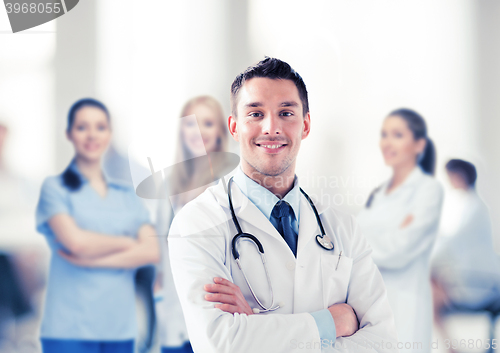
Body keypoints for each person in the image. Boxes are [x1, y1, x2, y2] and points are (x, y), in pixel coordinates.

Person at [167, 58, 398, 353]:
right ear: (234, 126)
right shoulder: (197, 223)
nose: (271, 127)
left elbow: (384, 343)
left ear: (305, 125)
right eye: (256, 114)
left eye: (286, 113)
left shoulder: (343, 228)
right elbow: (222, 343)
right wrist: (332, 322)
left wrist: (258, 332)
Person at [35, 98, 160, 353]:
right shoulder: (54, 189)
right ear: (69, 134)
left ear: (110, 133)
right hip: (70, 329)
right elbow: (76, 243)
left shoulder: (126, 194)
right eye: (82, 127)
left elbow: (152, 250)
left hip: (119, 330)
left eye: (100, 127)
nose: (92, 135)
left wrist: (93, 260)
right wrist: (127, 243)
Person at [356, 109, 444, 353]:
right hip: (371, 307)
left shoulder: (428, 190)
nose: (387, 142)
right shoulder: (379, 193)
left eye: (397, 134)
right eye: (384, 134)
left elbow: (399, 250)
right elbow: (352, 237)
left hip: (406, 303)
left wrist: (361, 249)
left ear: (419, 144)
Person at [156, 96, 228, 353]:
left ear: (220, 131)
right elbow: (160, 248)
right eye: (191, 123)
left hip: (215, 315)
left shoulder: (230, 186)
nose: (197, 131)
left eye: (207, 123)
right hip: (174, 318)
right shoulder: (169, 184)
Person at [431, 159, 500, 343]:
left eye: (450, 176)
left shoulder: (473, 208)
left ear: (460, 176)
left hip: (480, 283)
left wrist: (425, 260)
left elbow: (450, 243)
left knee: (428, 293)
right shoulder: (467, 205)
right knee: (429, 290)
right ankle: (451, 346)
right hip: (473, 277)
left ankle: (451, 347)